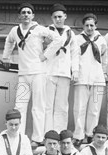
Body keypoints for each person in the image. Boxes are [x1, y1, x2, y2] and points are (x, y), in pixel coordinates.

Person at [1, 3, 61, 146]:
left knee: (38, 106)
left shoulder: (39, 29)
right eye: (23, 12)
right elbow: (9, 42)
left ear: (33, 15)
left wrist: (45, 55)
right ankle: (18, 136)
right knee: (20, 105)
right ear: (19, 16)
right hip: (23, 73)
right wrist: (6, 57)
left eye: (29, 12)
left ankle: (38, 138)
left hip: (38, 72)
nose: (26, 14)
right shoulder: (15, 31)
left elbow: (58, 39)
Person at [44, 4, 79, 133]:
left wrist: (75, 70)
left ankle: (59, 133)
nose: (58, 19)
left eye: (60, 16)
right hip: (49, 71)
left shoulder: (71, 33)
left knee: (62, 106)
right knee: (48, 105)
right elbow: (39, 51)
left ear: (65, 16)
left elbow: (75, 54)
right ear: (52, 18)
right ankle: (47, 133)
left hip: (64, 73)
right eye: (55, 17)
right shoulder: (46, 31)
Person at [73, 14, 107, 142]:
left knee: (94, 109)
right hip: (81, 78)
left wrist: (104, 73)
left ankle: (90, 134)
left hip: (97, 77)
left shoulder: (101, 40)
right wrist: (75, 72)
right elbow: (75, 57)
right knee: (79, 108)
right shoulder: (77, 39)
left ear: (96, 26)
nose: (89, 28)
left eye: (92, 25)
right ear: (83, 26)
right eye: (87, 25)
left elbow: (105, 59)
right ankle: (78, 135)